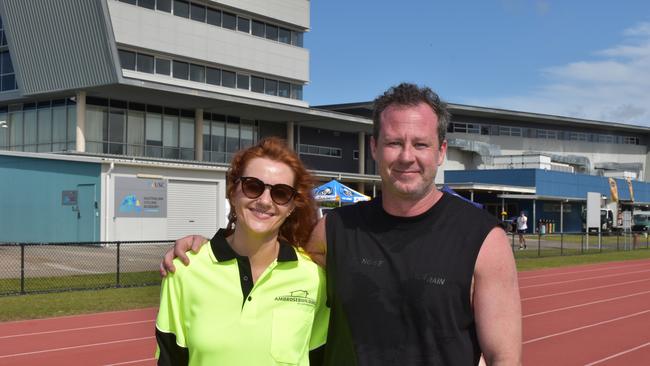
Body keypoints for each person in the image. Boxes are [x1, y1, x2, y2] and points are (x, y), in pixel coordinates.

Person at [162, 83, 522, 365]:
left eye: (421, 144)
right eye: (394, 143)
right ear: (374, 148)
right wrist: (209, 246)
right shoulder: (335, 231)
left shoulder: (483, 240)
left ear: (441, 151)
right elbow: (266, 242)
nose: (407, 156)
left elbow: (504, 358)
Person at [155, 137, 329, 365]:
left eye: (281, 193)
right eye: (253, 186)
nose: (265, 201)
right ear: (233, 192)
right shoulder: (185, 269)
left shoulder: (314, 279)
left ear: (291, 207)